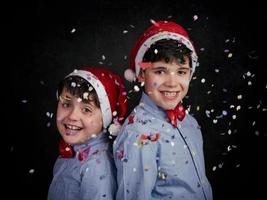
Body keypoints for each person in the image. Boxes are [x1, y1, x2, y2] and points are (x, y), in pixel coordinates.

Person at [113, 21, 213, 200]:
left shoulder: (189, 123)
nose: (172, 83)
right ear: (142, 74)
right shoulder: (138, 135)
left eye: (181, 72)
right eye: (160, 71)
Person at [48, 67, 128, 200]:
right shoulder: (73, 147)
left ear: (105, 118)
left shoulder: (96, 167)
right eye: (66, 104)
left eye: (86, 109)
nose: (72, 116)